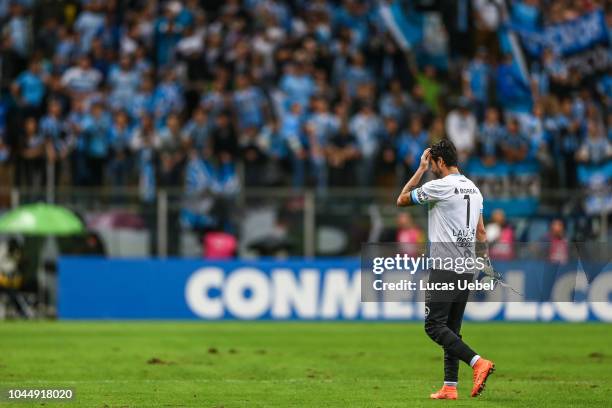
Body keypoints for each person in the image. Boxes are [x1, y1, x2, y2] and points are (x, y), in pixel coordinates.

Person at [397, 139, 495, 400]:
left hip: (445, 266)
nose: (431, 169)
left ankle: (477, 363)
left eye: (432, 165)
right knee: (451, 328)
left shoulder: (438, 187)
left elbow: (402, 199)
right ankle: (450, 386)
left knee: (433, 326)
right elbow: (481, 233)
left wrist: (419, 169)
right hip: (467, 268)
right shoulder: (474, 190)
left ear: (440, 162)